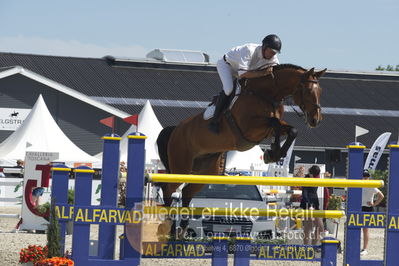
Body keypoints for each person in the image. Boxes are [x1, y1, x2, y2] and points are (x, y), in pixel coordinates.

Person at [208, 34, 282, 134]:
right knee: (229, 89)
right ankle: (214, 121)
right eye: (271, 52)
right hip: (227, 66)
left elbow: (275, 75)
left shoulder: (273, 58)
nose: (273, 55)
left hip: (245, 71)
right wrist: (263, 73)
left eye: (275, 53)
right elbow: (242, 74)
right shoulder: (249, 50)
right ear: (264, 47)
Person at [360, 169, 384, 256]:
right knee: (354, 228)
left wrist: (374, 204)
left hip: (367, 208)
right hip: (359, 207)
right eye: (364, 176)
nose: (365, 178)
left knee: (365, 229)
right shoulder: (359, 184)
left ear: (369, 177)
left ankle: (365, 248)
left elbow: (381, 195)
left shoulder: (371, 185)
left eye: (366, 176)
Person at [300, 165, 324, 246]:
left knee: (320, 227)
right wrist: (309, 205)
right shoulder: (307, 179)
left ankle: (313, 246)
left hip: (315, 204)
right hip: (307, 204)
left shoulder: (315, 177)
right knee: (308, 227)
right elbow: (304, 193)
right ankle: (306, 247)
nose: (317, 177)